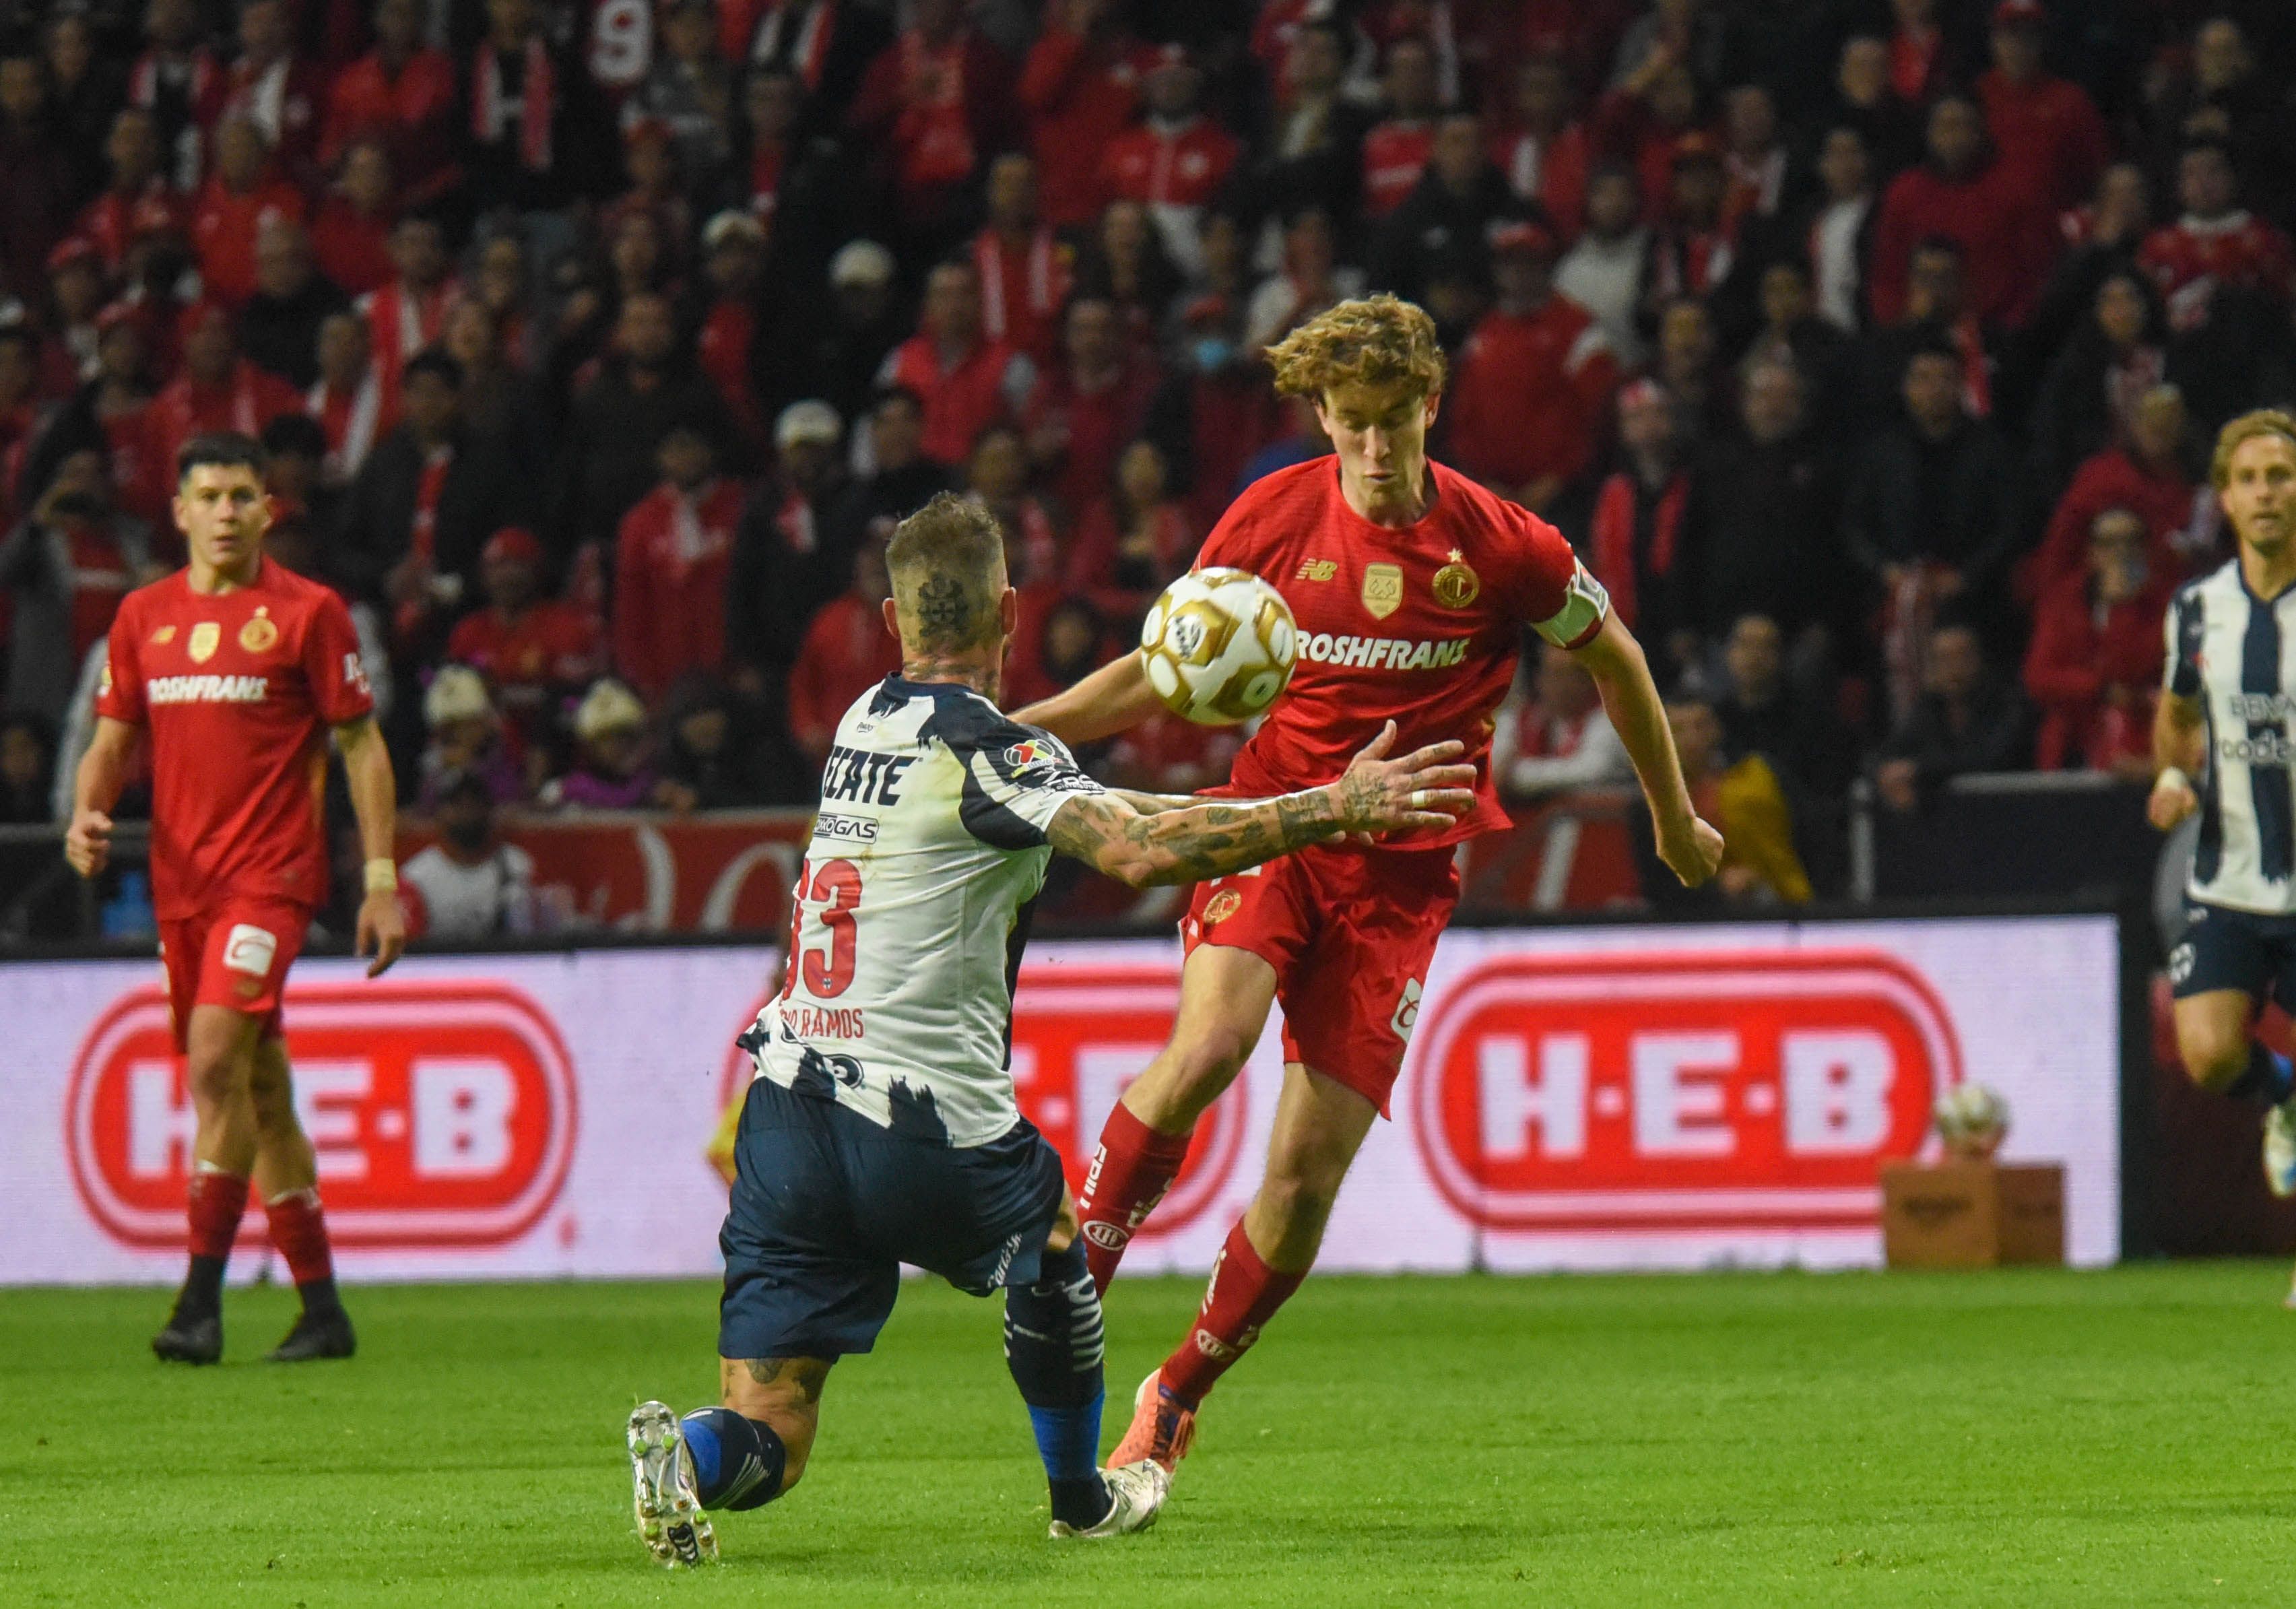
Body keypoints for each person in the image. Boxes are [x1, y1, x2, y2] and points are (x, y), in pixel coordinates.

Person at [622, 490, 1478, 1561]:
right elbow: (1140, 849)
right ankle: (1083, 1498)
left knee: (775, 1430)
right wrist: (1328, 807)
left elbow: (1098, 816)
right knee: (1055, 1243)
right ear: (1012, 614)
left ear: (891, 623)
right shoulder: (993, 754)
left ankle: (687, 1462)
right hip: (919, 1120)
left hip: (786, 1113)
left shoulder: (860, 725)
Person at [1010, 296, 1721, 1482]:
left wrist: (1669, 812)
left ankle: (1176, 1388)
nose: (1376, 452)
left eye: (1395, 422)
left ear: (1429, 407)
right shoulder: (1273, 515)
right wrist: (1007, 735)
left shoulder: (1499, 544)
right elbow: (1164, 665)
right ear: (1322, 420)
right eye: (1352, 425)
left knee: (1300, 1179)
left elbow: (1617, 656)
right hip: (1270, 828)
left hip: (1398, 884)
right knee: (1205, 1050)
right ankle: (1072, 1284)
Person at [64, 431, 405, 1365]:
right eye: (207, 495)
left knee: (214, 1058)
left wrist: (379, 881)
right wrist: (87, 811)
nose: (224, 512)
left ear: (268, 509)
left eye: (241, 496)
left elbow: (362, 748)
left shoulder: (307, 613)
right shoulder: (141, 617)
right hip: (184, 886)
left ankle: (199, 1305)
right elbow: (111, 736)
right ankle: (322, 1309)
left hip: (272, 879)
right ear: (177, 510)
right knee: (258, 1086)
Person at [2151, 411, 2296, 1197]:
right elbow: (2176, 714)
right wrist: (2172, 776)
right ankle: (2284, 1096)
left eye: (2280, 476)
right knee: (2207, 1055)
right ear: (2226, 500)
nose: (2265, 492)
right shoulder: (2198, 609)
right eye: (2248, 479)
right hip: (2227, 881)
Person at [398, 767, 534, 939]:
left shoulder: (516, 865)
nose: (467, 812)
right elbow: (411, 951)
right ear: (439, 813)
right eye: (457, 804)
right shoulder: (416, 877)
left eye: (475, 803)